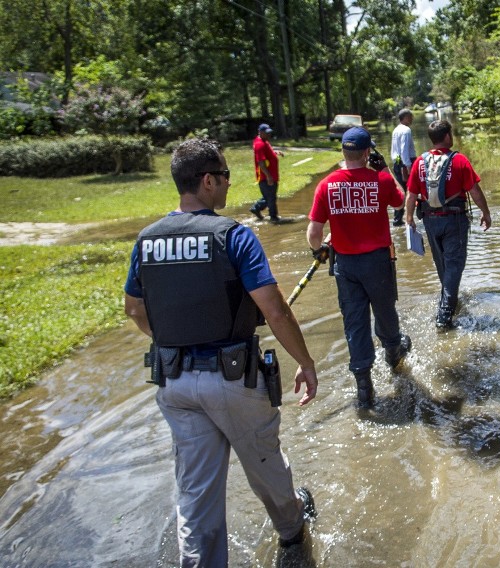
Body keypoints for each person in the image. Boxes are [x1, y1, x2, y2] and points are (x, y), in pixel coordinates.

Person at [123, 138, 319, 565]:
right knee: (267, 467)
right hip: (233, 379)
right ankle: (291, 535)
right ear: (208, 181)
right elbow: (276, 310)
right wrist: (305, 362)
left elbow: (134, 309)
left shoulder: (147, 240)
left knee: (195, 496)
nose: (231, 183)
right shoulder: (233, 236)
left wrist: (173, 340)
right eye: (227, 175)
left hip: (174, 383)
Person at [306, 126, 412, 409]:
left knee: (354, 322)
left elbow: (314, 232)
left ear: (343, 152)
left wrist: (320, 249)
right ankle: (393, 354)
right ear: (368, 153)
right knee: (385, 309)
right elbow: (401, 201)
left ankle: (364, 388)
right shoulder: (381, 180)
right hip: (377, 262)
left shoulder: (327, 185)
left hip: (346, 265)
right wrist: (386, 170)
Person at [405, 119, 492, 329]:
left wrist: (409, 218)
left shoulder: (420, 162)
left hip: (430, 220)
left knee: (442, 265)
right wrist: (485, 212)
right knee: (455, 265)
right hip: (455, 220)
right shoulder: (459, 160)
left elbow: (411, 194)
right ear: (447, 137)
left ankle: (450, 301)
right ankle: (444, 316)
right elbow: (475, 191)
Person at [250, 123, 285, 222]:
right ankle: (274, 218)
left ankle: (256, 208)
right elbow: (261, 162)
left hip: (270, 176)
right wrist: (268, 176)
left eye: (269, 133)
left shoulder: (263, 141)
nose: (269, 135)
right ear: (260, 132)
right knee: (271, 198)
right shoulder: (259, 144)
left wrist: (275, 152)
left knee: (269, 196)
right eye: (267, 133)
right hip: (266, 177)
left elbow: (267, 153)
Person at [390, 108, 417, 226]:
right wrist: (409, 167)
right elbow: (404, 150)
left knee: (400, 189)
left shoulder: (396, 130)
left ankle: (398, 218)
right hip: (405, 163)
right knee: (412, 189)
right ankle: (409, 218)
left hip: (397, 162)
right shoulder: (406, 130)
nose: (412, 119)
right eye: (411, 116)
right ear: (405, 117)